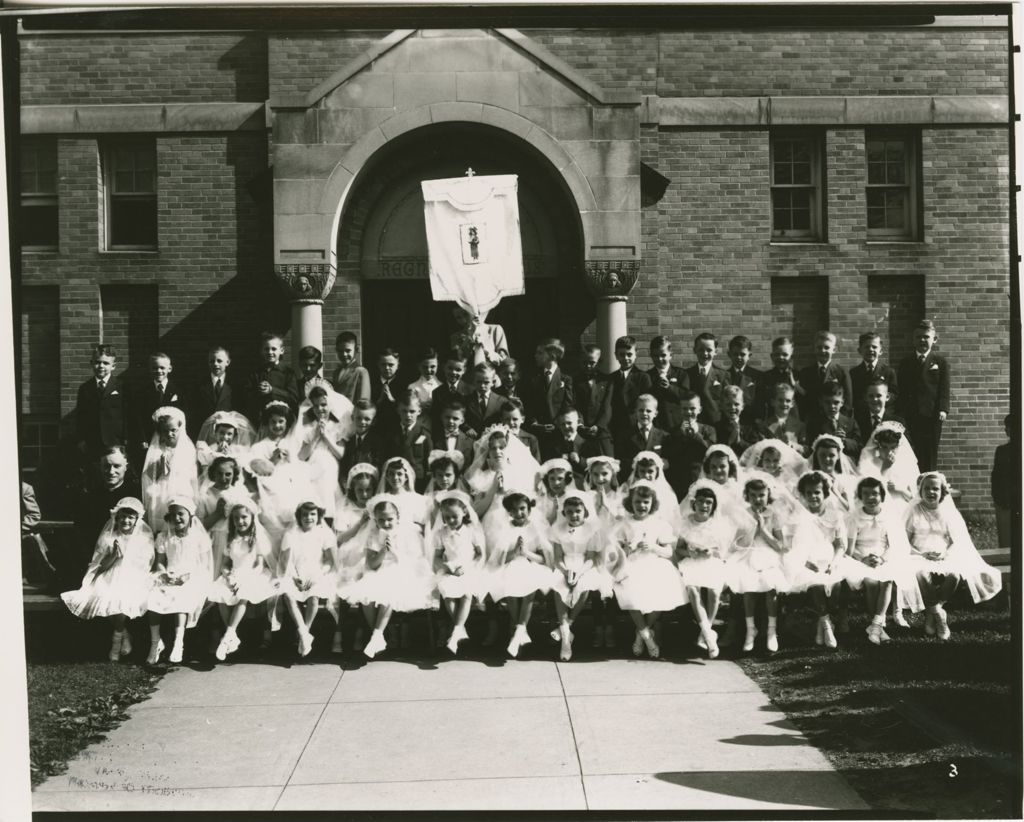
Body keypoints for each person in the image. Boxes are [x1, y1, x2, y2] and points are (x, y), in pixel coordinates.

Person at [905, 471, 1002, 640]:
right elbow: (903, 542)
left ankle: (931, 613)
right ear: (920, 491)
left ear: (942, 492)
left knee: (954, 575)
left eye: (935, 488)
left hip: (943, 555)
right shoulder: (913, 511)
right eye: (926, 488)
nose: (930, 492)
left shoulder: (948, 512)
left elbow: (957, 541)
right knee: (920, 573)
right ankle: (939, 616)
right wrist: (922, 553)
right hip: (918, 554)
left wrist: (944, 554)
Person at [339, 494, 436, 659]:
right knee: (366, 596)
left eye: (389, 519)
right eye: (381, 520)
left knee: (390, 592)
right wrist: (383, 551)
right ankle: (377, 636)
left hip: (401, 570)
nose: (386, 524)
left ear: (398, 518)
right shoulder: (373, 536)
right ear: (375, 520)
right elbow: (372, 564)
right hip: (378, 570)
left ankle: (376, 635)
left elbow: (410, 560)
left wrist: (394, 551)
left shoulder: (406, 534)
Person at [61, 497, 154, 661]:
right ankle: (123, 634)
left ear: (136, 520)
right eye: (123, 516)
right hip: (110, 573)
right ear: (116, 518)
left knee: (120, 598)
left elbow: (145, 565)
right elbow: (101, 566)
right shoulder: (109, 537)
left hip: (133, 577)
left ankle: (116, 641)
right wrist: (113, 556)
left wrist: (128, 560)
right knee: (102, 595)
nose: (126, 520)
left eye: (130, 517)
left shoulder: (142, 538)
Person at [837, 476, 919, 645]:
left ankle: (875, 625)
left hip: (883, 557)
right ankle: (877, 626)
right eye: (865, 494)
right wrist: (864, 559)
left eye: (874, 493)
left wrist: (881, 559)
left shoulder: (889, 517)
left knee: (887, 580)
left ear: (882, 496)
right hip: (859, 558)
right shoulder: (854, 518)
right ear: (860, 496)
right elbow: (849, 549)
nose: (870, 498)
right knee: (872, 582)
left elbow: (893, 545)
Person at [611, 480, 684, 659]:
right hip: (631, 563)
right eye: (637, 502)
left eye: (646, 502)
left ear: (652, 504)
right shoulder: (624, 524)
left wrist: (653, 546)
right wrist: (630, 549)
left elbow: (668, 552)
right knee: (629, 592)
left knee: (661, 592)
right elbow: (616, 551)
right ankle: (646, 635)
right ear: (631, 503)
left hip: (653, 562)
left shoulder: (659, 523)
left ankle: (641, 633)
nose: (641, 506)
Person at [482, 490, 557, 658]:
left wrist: (525, 553)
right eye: (514, 510)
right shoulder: (505, 529)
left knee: (530, 586)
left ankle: (519, 627)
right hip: (510, 564)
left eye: (522, 508)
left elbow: (544, 560)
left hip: (532, 565)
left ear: (529, 509)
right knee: (508, 584)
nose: (519, 513)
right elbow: (499, 560)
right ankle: (519, 629)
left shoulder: (536, 528)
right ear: (509, 512)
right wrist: (515, 553)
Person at [208, 490, 280, 661]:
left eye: (244, 517)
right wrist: (228, 577)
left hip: (255, 575)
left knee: (243, 595)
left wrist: (243, 580)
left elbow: (260, 564)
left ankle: (228, 636)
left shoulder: (256, 539)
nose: (240, 521)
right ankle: (232, 636)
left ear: (252, 518)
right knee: (220, 595)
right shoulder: (231, 539)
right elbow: (226, 564)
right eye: (236, 518)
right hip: (235, 574)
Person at [728, 473, 792, 653]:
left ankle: (771, 631)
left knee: (770, 587)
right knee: (748, 588)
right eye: (753, 495)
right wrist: (752, 528)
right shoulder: (743, 514)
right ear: (747, 496)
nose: (757, 499)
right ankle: (751, 630)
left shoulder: (774, 515)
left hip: (769, 554)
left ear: (767, 495)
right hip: (747, 553)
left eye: (761, 495)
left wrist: (763, 529)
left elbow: (780, 546)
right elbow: (737, 544)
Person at [146, 495, 213, 664]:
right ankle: (156, 642)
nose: (177, 518)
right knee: (153, 596)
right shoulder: (164, 537)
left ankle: (178, 642)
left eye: (181, 514)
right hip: (170, 575)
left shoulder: (199, 537)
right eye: (174, 514)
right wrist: (165, 575)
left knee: (182, 597)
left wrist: (187, 576)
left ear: (190, 515)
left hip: (193, 576)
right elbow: (160, 563)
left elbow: (204, 566)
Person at [548, 490, 615, 661]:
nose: (574, 515)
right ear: (564, 513)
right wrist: (565, 571)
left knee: (585, 585)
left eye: (578, 511)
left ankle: (566, 627)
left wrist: (578, 574)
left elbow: (592, 559)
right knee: (558, 584)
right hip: (564, 564)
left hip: (585, 566)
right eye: (569, 512)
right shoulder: (558, 530)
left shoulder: (592, 530)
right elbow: (556, 558)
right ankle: (565, 633)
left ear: (585, 512)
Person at [675, 480, 737, 659]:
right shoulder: (685, 522)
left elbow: (723, 551)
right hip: (691, 562)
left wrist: (711, 551)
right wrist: (689, 552)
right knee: (693, 589)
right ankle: (710, 635)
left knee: (714, 592)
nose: (704, 505)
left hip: (712, 562)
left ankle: (706, 633)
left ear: (713, 505)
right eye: (701, 501)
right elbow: (677, 548)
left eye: (709, 502)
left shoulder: (719, 524)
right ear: (694, 503)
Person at [789, 471, 847, 649]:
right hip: (805, 559)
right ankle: (826, 624)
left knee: (835, 585)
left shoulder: (834, 515)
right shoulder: (798, 516)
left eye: (817, 492)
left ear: (825, 494)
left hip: (830, 557)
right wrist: (805, 562)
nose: (813, 496)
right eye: (809, 493)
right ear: (803, 495)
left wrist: (834, 562)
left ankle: (822, 624)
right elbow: (792, 545)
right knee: (815, 582)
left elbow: (840, 544)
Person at [71, 446, 142, 590]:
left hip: (127, 562)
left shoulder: (135, 496)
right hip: (97, 561)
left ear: (126, 467)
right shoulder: (91, 496)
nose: (111, 472)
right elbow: (82, 534)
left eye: (117, 466)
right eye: (106, 466)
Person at [278, 494, 338, 657]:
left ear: (318, 516)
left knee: (314, 596)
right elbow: (286, 561)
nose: (308, 517)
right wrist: (294, 576)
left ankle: (305, 632)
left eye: (313, 514)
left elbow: (329, 562)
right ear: (299, 516)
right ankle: (304, 634)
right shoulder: (291, 534)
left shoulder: (323, 534)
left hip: (317, 574)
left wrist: (318, 575)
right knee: (288, 595)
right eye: (305, 514)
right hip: (295, 574)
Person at [430, 490, 487, 654]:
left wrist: (467, 568)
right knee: (448, 591)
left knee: (466, 593)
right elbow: (437, 557)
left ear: (464, 512)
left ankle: (456, 630)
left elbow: (480, 554)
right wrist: (447, 567)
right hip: (450, 569)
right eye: (447, 518)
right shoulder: (441, 533)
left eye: (454, 516)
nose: (451, 521)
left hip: (469, 568)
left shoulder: (471, 531)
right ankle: (459, 630)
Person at [896, 321, 950, 472]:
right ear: (913, 340)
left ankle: (929, 478)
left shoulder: (940, 362)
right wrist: (901, 414)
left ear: (935, 339)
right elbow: (901, 389)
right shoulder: (906, 363)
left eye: (926, 337)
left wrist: (943, 409)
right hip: (911, 415)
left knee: (931, 451)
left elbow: (944, 388)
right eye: (918, 337)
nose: (922, 340)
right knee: (912, 451)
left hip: (932, 415)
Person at [140, 406, 198, 534]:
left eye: (173, 430)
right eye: (165, 431)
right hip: (160, 494)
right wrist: (158, 466)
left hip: (180, 491)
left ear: (180, 430)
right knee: (161, 523)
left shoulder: (187, 449)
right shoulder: (156, 450)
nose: (169, 434)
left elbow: (192, 476)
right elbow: (148, 477)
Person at [129, 352, 187, 467]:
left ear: (169, 368)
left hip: (172, 438)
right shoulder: (142, 392)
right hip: (151, 439)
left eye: (162, 368)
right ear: (150, 369)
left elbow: (183, 416)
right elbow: (138, 418)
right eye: (155, 368)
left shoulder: (178, 391)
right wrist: (143, 439)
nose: (159, 371)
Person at [75, 344, 126, 463]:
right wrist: (81, 440)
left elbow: (127, 415)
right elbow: (81, 417)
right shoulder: (85, 388)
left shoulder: (122, 387)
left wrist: (125, 440)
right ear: (92, 363)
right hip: (92, 442)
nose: (101, 366)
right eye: (98, 362)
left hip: (116, 442)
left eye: (106, 363)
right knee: (95, 474)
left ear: (113, 366)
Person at [665, 390, 716, 499]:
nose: (688, 412)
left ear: (700, 410)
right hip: (677, 481)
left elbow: (710, 452)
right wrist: (681, 436)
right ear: (680, 410)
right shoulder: (673, 431)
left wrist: (696, 435)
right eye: (685, 409)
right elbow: (669, 454)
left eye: (692, 408)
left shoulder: (708, 430)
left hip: (700, 478)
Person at [524, 338, 574, 438]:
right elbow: (530, 405)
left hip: (559, 434)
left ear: (552, 356)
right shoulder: (534, 379)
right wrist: (534, 423)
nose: (535, 356)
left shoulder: (566, 380)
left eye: (540, 353)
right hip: (538, 434)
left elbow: (568, 406)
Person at [797, 331, 853, 420]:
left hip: (835, 422)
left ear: (834, 350)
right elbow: (802, 402)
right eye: (819, 347)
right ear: (814, 349)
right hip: (813, 421)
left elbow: (847, 402)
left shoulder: (841, 372)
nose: (822, 351)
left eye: (826, 347)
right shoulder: (806, 373)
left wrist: (841, 423)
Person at [245, 332, 300, 423]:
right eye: (266, 349)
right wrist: (258, 391)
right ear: (262, 351)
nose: (270, 352)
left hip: (282, 420)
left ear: (281, 350)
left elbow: (293, 398)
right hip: (261, 421)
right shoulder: (256, 373)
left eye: (274, 349)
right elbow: (247, 396)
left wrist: (272, 390)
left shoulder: (288, 373)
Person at [384, 391, 433, 491]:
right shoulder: (391, 432)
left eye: (412, 411)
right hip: (395, 479)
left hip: (418, 480)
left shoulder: (424, 434)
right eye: (404, 411)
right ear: (398, 410)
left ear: (419, 411)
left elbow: (428, 461)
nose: (408, 415)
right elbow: (386, 455)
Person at [615, 394, 670, 484]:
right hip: (632, 482)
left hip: (655, 482)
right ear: (636, 412)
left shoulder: (664, 436)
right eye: (641, 410)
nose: (644, 413)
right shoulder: (625, 436)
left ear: (655, 413)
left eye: (648, 411)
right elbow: (620, 460)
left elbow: (667, 462)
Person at [542, 407, 603, 484]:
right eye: (562, 424)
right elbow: (546, 466)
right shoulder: (553, 444)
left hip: (583, 486)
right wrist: (558, 460)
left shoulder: (588, 443)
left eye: (569, 423)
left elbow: (597, 468)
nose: (566, 427)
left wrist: (580, 461)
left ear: (578, 422)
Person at [803, 381, 862, 460]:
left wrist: (844, 441)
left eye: (836, 402)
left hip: (847, 466)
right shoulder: (814, 423)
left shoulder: (851, 422)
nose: (832, 406)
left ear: (842, 402)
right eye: (827, 402)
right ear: (821, 402)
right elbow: (810, 448)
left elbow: (859, 447)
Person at [188, 346, 237, 441]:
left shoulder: (234, 385)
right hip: (204, 433)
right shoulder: (199, 385)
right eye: (212, 361)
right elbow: (194, 411)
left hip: (227, 434)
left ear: (227, 362)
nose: (215, 364)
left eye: (219, 361)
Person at [572, 344, 614, 453]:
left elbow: (607, 406)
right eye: (585, 362)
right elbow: (575, 405)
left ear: (599, 362)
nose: (588, 366)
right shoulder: (575, 381)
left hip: (602, 432)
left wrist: (598, 426)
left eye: (592, 363)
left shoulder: (607, 381)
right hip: (582, 431)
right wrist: (580, 424)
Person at [609, 335, 652, 437]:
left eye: (629, 354)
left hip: (636, 429)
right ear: (616, 355)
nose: (625, 358)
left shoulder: (643, 377)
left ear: (635, 354)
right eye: (622, 354)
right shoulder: (611, 378)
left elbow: (647, 404)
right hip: (615, 430)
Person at [753, 336, 803, 422]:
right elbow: (759, 402)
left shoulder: (799, 376)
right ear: (772, 356)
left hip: (794, 424)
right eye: (777, 354)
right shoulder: (764, 377)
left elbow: (803, 402)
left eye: (785, 354)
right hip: (771, 423)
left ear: (791, 356)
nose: (781, 357)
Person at [646, 336, 689, 431]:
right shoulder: (647, 376)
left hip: (677, 425)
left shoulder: (681, 374)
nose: (659, 359)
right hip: (656, 426)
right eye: (655, 356)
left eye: (663, 355)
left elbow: (686, 397)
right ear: (651, 356)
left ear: (671, 355)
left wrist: (670, 388)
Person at [849, 332, 898, 417]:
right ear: (860, 351)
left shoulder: (889, 372)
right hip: (862, 416)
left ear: (881, 351)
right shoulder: (853, 373)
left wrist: (880, 401)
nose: (870, 349)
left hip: (883, 415)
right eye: (866, 347)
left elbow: (894, 394)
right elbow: (853, 397)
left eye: (874, 347)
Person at [684, 333, 728, 425]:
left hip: (717, 425)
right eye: (701, 350)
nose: (705, 354)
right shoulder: (686, 374)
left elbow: (727, 403)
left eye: (709, 350)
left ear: (716, 351)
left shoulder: (723, 375)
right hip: (693, 423)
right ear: (694, 350)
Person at [450, 305, 509, 372]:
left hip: (492, 378)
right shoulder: (456, 337)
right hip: (468, 380)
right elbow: (458, 364)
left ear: (473, 312)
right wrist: (468, 341)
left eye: (465, 314)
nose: (463, 320)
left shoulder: (495, 330)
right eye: (458, 317)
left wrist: (485, 349)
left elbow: (505, 362)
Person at [195, 410, 255, 477]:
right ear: (215, 433)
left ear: (234, 435)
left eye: (229, 434)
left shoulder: (238, 450)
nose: (225, 437)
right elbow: (206, 470)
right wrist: (218, 453)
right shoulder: (208, 449)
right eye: (221, 433)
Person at [339, 400, 386, 480]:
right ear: (352, 418)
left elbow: (378, 468)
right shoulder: (349, 442)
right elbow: (344, 466)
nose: (362, 422)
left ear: (373, 421)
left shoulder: (377, 443)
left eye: (367, 419)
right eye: (358, 418)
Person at [753, 383, 805, 452]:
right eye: (780, 400)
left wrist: (793, 445)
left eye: (788, 401)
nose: (784, 404)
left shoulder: (800, 425)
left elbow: (806, 450)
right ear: (773, 402)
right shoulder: (764, 425)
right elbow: (761, 449)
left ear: (792, 404)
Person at [992, 413, 1016, 550]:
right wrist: (999, 501)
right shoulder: (1001, 451)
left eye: (1008, 426)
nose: (1005, 430)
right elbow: (996, 478)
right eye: (1005, 427)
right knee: (1006, 544)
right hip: (1004, 504)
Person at [430, 349, 470, 430]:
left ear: (464, 371)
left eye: (458, 370)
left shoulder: (470, 391)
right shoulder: (437, 393)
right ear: (444, 367)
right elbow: (436, 418)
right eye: (450, 368)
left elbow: (471, 417)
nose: (453, 372)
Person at [464, 363, 506, 437]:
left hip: (493, 441)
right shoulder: (466, 400)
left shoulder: (502, 401)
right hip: (471, 440)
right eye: (479, 382)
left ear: (493, 382)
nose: (482, 386)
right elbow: (460, 417)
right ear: (474, 381)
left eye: (486, 382)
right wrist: (467, 428)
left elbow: (505, 421)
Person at [432, 400, 476, 470]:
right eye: (447, 417)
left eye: (455, 418)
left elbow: (469, 466)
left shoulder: (469, 441)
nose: (451, 421)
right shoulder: (433, 437)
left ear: (462, 421)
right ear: (441, 417)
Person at [726, 335, 761, 423]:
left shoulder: (757, 376)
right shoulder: (724, 376)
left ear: (749, 355)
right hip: (729, 422)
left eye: (742, 354)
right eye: (735, 354)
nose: (738, 357)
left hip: (751, 423)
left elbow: (761, 402)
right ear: (729, 354)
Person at [331, 331, 372, 405]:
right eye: (340, 351)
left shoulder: (361, 371)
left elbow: (364, 402)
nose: (344, 354)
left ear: (356, 350)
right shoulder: (336, 372)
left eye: (348, 350)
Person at [715, 385, 756, 457]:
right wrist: (729, 441)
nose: (732, 408)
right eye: (728, 404)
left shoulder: (750, 427)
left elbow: (755, 449)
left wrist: (739, 441)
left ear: (742, 406)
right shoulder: (716, 427)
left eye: (736, 404)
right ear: (721, 406)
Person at [501, 398, 541, 463]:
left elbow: (537, 463)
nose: (511, 423)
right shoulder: (499, 438)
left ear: (522, 419)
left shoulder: (531, 439)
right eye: (507, 419)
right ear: (502, 420)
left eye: (515, 419)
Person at [407, 347, 441, 412]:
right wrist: (419, 406)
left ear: (437, 365)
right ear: (418, 367)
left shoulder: (441, 385)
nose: (428, 370)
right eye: (425, 367)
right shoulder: (412, 387)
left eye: (433, 366)